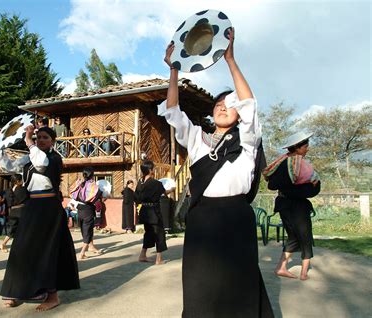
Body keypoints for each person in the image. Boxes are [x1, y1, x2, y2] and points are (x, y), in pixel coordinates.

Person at [161, 29, 273, 316]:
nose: (225, 106)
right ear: (213, 112)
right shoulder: (197, 137)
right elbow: (173, 110)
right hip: (203, 218)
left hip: (236, 216)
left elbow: (250, 105)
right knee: (201, 285)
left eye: (230, 105)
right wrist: (174, 70)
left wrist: (230, 60)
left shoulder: (247, 141)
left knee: (238, 282)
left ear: (238, 116)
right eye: (219, 103)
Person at [0, 125, 79, 311]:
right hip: (32, 206)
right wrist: (0, 146)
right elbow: (8, 166)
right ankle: (17, 291)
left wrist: (29, 141)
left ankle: (52, 296)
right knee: (22, 248)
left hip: (49, 207)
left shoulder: (54, 158)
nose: (40, 140)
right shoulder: (30, 157)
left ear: (52, 141)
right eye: (38, 137)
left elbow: (41, 163)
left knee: (47, 251)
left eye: (45, 138)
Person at [263, 131, 321, 281]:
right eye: (305, 146)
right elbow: (309, 187)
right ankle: (303, 273)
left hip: (283, 204)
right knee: (305, 235)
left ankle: (281, 268)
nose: (307, 149)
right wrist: (309, 188)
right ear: (297, 147)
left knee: (294, 236)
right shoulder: (296, 164)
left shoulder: (282, 162)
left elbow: (272, 185)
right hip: (296, 206)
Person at [134, 161, 171, 265]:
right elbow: (164, 192)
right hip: (154, 211)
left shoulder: (140, 183)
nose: (154, 170)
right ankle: (158, 259)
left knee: (149, 233)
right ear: (150, 170)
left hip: (144, 211)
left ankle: (142, 255)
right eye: (153, 169)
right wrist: (172, 189)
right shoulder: (156, 183)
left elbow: (136, 199)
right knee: (159, 233)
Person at [70, 166, 103, 260]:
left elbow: (73, 193)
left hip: (79, 209)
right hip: (88, 209)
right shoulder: (93, 185)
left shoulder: (79, 183)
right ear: (92, 174)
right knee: (87, 232)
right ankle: (82, 253)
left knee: (86, 230)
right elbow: (94, 197)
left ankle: (91, 247)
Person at [0, 174, 28, 253]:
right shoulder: (23, 189)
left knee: (12, 229)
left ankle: (4, 243)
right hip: (21, 211)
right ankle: (21, 246)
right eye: (21, 180)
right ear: (18, 181)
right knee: (23, 229)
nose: (22, 181)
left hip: (12, 211)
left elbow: (6, 202)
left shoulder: (8, 190)